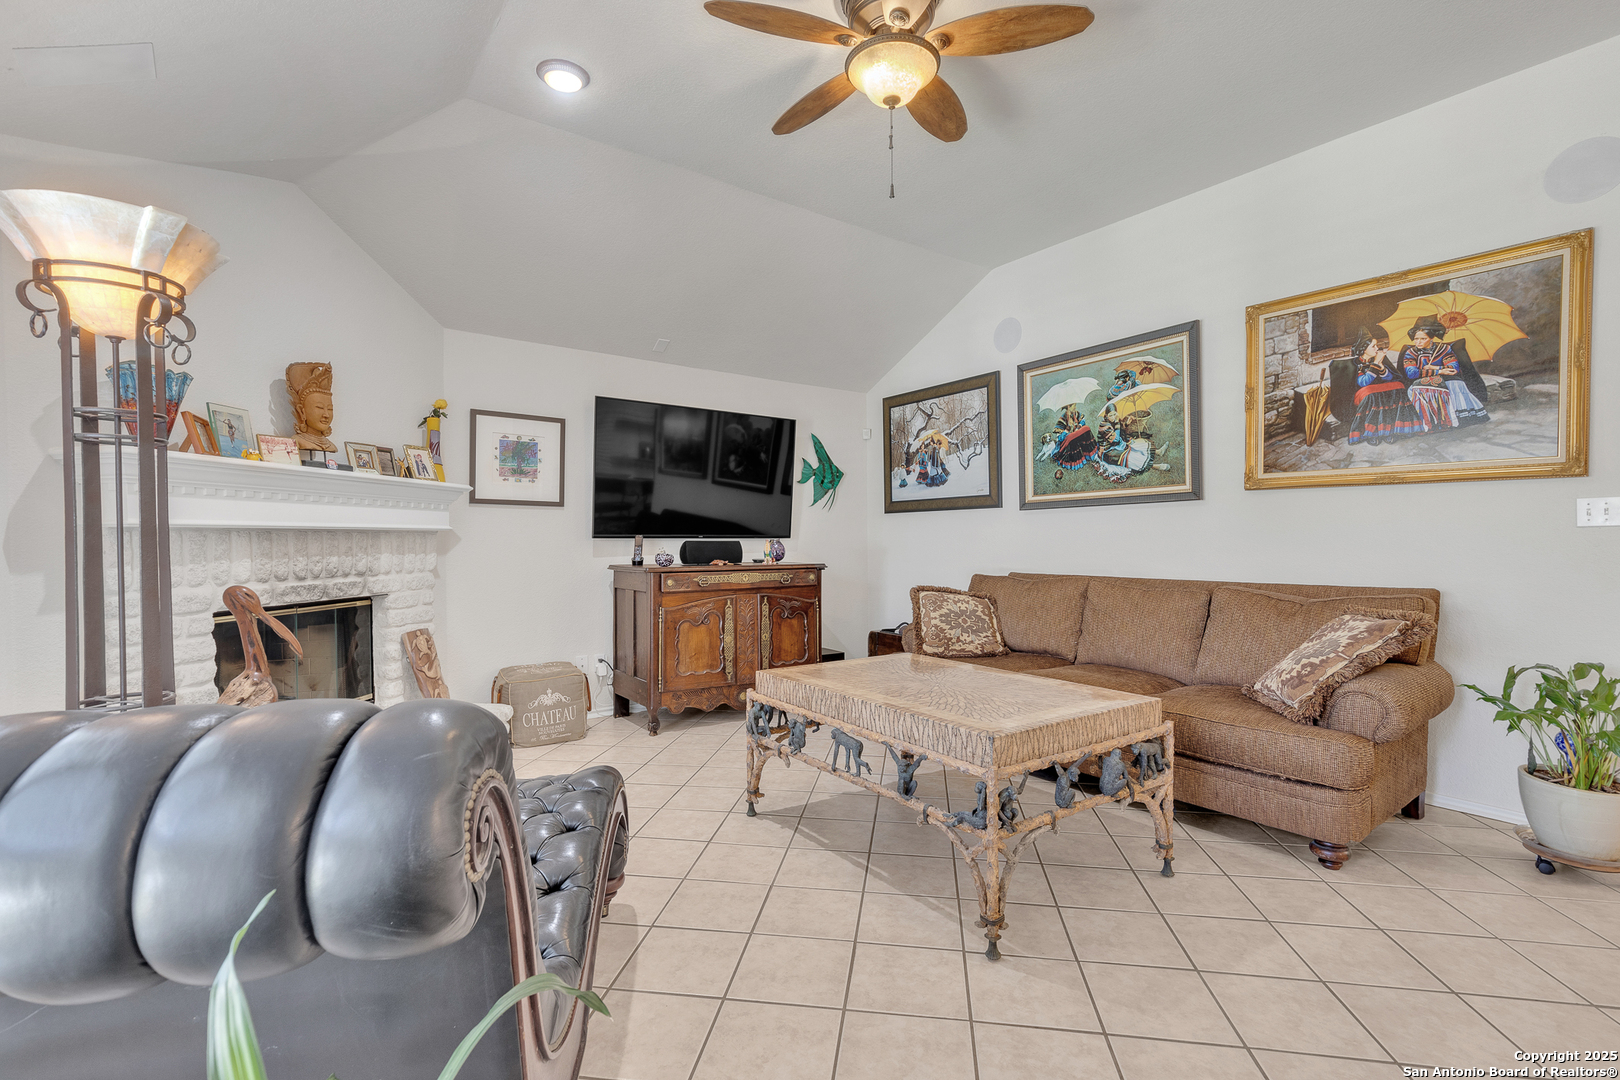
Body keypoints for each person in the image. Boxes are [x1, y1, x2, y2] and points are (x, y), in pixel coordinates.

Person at [1399, 316, 1490, 427]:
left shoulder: (1444, 349)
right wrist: (1442, 371)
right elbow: (1411, 373)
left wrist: (1434, 368)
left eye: (1423, 338)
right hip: (1421, 383)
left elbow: (1453, 369)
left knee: (1455, 382)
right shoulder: (1411, 352)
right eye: (1416, 338)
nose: (1418, 342)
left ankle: (1458, 418)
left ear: (1432, 338)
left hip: (1445, 380)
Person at [1348, 331, 1420, 446]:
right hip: (1365, 392)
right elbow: (1363, 383)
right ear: (1364, 348)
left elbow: (1390, 378)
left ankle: (1391, 430)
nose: (1377, 348)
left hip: (1381, 388)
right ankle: (1372, 433)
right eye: (1373, 346)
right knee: (1371, 395)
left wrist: (1381, 367)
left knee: (1399, 387)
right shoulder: (1356, 363)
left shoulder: (1379, 359)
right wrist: (1376, 363)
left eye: (1377, 345)